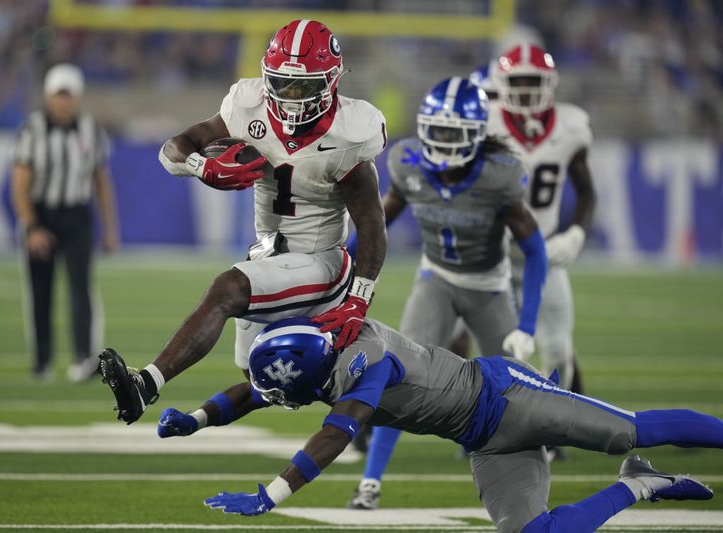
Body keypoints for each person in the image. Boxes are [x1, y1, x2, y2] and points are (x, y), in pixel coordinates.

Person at [158, 316, 718, 533]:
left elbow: (335, 434)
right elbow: (254, 393)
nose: (275, 398)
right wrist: (198, 418)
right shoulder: (320, 356)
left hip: (511, 396)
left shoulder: (365, 360)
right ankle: (640, 484)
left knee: (634, 428)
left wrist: (271, 494)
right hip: (486, 443)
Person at [98, 19, 388, 424]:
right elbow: (173, 149)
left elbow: (372, 224)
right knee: (263, 379)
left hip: (321, 261)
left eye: (302, 87)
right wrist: (202, 167)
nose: (289, 96)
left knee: (227, 288)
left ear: (331, 82)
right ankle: (366, 408)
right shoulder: (247, 104)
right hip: (268, 254)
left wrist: (358, 298)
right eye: (281, 83)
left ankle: (145, 384)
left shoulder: (350, 133)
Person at [345, 76, 547, 509]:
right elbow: (374, 224)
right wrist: (341, 263)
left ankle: (549, 446)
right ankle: (370, 484)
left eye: (452, 134)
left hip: (488, 288)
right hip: (436, 279)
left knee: (525, 386)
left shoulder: (500, 177)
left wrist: (527, 324)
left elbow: (535, 250)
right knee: (397, 373)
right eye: (435, 131)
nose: (441, 142)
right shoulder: (409, 165)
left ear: (475, 134)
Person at [489, 44, 597, 395]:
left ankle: (554, 434)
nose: (523, 90)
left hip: (546, 252)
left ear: (549, 83)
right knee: (491, 348)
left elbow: (586, 191)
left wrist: (576, 234)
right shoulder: (484, 122)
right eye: (516, 81)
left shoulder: (571, 126)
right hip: (494, 254)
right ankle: (486, 429)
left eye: (531, 81)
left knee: (558, 350)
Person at [11, 63, 119, 382]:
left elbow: (101, 180)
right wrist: (31, 226)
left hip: (76, 215)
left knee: (81, 289)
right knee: (40, 292)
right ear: (48, 96)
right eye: (59, 95)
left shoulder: (90, 129)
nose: (63, 101)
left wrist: (111, 228)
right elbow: (20, 181)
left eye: (68, 95)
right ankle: (42, 361)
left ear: (77, 97)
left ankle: (84, 359)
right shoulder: (31, 130)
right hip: (42, 213)